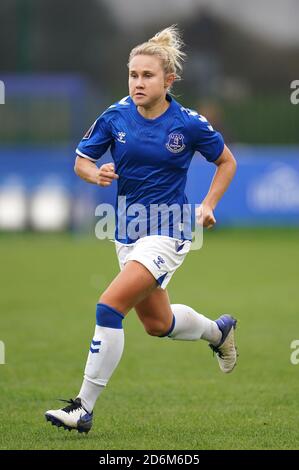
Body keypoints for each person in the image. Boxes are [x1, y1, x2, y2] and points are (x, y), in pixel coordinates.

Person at [45, 25, 237, 434]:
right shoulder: (115, 116)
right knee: (157, 323)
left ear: (168, 80)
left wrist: (208, 205)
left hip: (169, 231)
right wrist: (94, 173)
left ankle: (83, 408)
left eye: (147, 75)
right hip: (127, 231)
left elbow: (226, 162)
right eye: (133, 74)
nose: (138, 82)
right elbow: (81, 161)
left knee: (108, 306)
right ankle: (217, 332)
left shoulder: (188, 123)